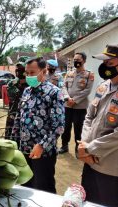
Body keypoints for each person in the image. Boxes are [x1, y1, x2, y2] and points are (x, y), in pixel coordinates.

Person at [12, 57, 65, 193]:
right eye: (27, 73)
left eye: (32, 73)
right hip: (24, 150)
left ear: (44, 71)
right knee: (25, 187)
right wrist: (13, 142)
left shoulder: (54, 93)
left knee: (43, 189)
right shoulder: (27, 91)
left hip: (43, 153)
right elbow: (19, 117)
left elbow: (58, 126)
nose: (29, 76)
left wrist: (42, 145)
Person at [77, 45, 118, 206]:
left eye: (110, 62)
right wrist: (84, 145)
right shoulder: (103, 86)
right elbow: (89, 116)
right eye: (104, 61)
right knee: (88, 201)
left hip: (110, 167)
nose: (105, 65)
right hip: (90, 161)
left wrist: (89, 148)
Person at [59, 52, 94, 154]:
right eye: (74, 60)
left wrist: (74, 100)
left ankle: (78, 149)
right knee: (65, 127)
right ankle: (64, 146)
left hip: (80, 107)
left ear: (84, 61)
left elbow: (87, 90)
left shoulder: (89, 74)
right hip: (67, 106)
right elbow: (63, 86)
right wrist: (67, 98)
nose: (76, 62)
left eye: (78, 60)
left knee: (79, 129)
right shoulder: (69, 73)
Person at [5, 61, 28, 141]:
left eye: (21, 69)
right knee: (9, 136)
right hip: (13, 113)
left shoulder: (31, 84)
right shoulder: (12, 83)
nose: (19, 71)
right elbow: (11, 97)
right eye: (17, 69)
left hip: (26, 115)